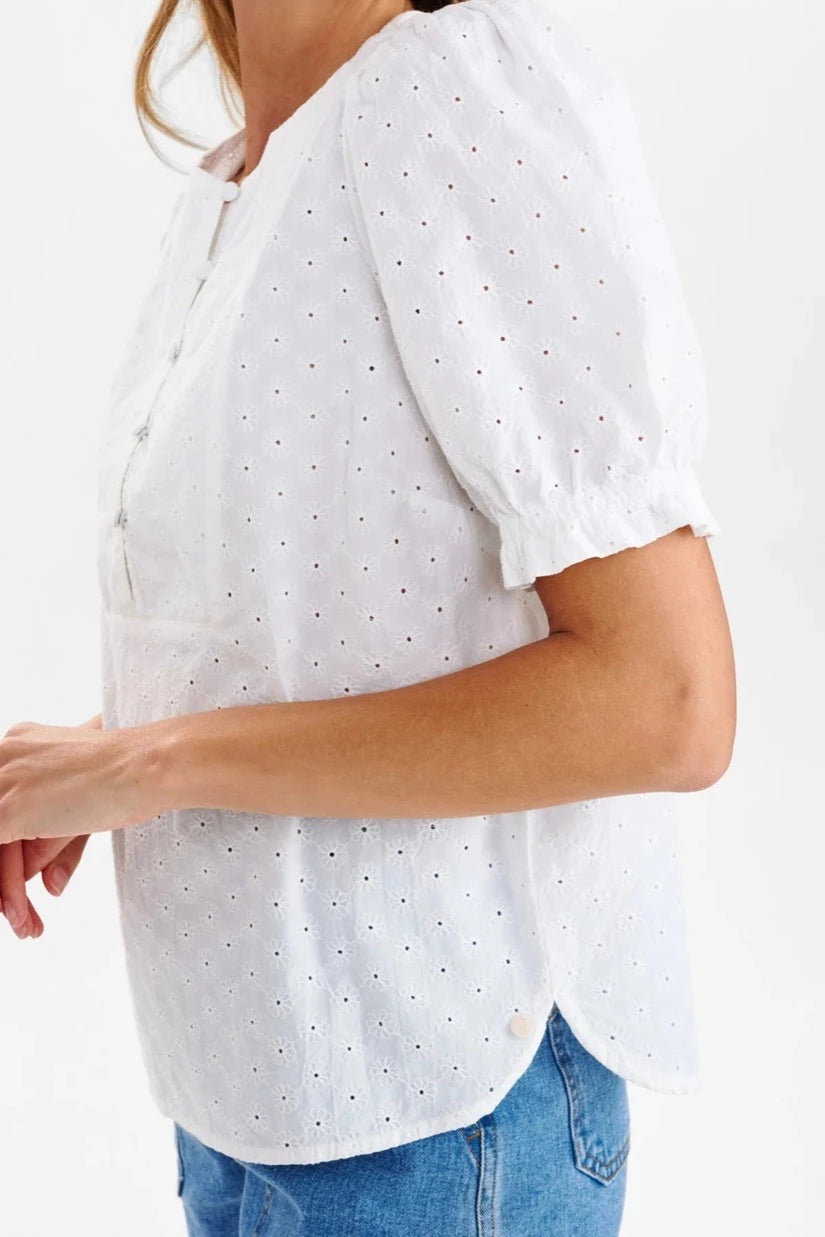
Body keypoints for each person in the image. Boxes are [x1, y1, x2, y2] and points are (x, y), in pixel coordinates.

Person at [0, 0, 736, 1232]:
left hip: (436, 1107)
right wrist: (104, 753)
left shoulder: (452, 93)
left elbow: (664, 698)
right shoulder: (246, 174)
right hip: (254, 1097)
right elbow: (337, 625)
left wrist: (151, 762)